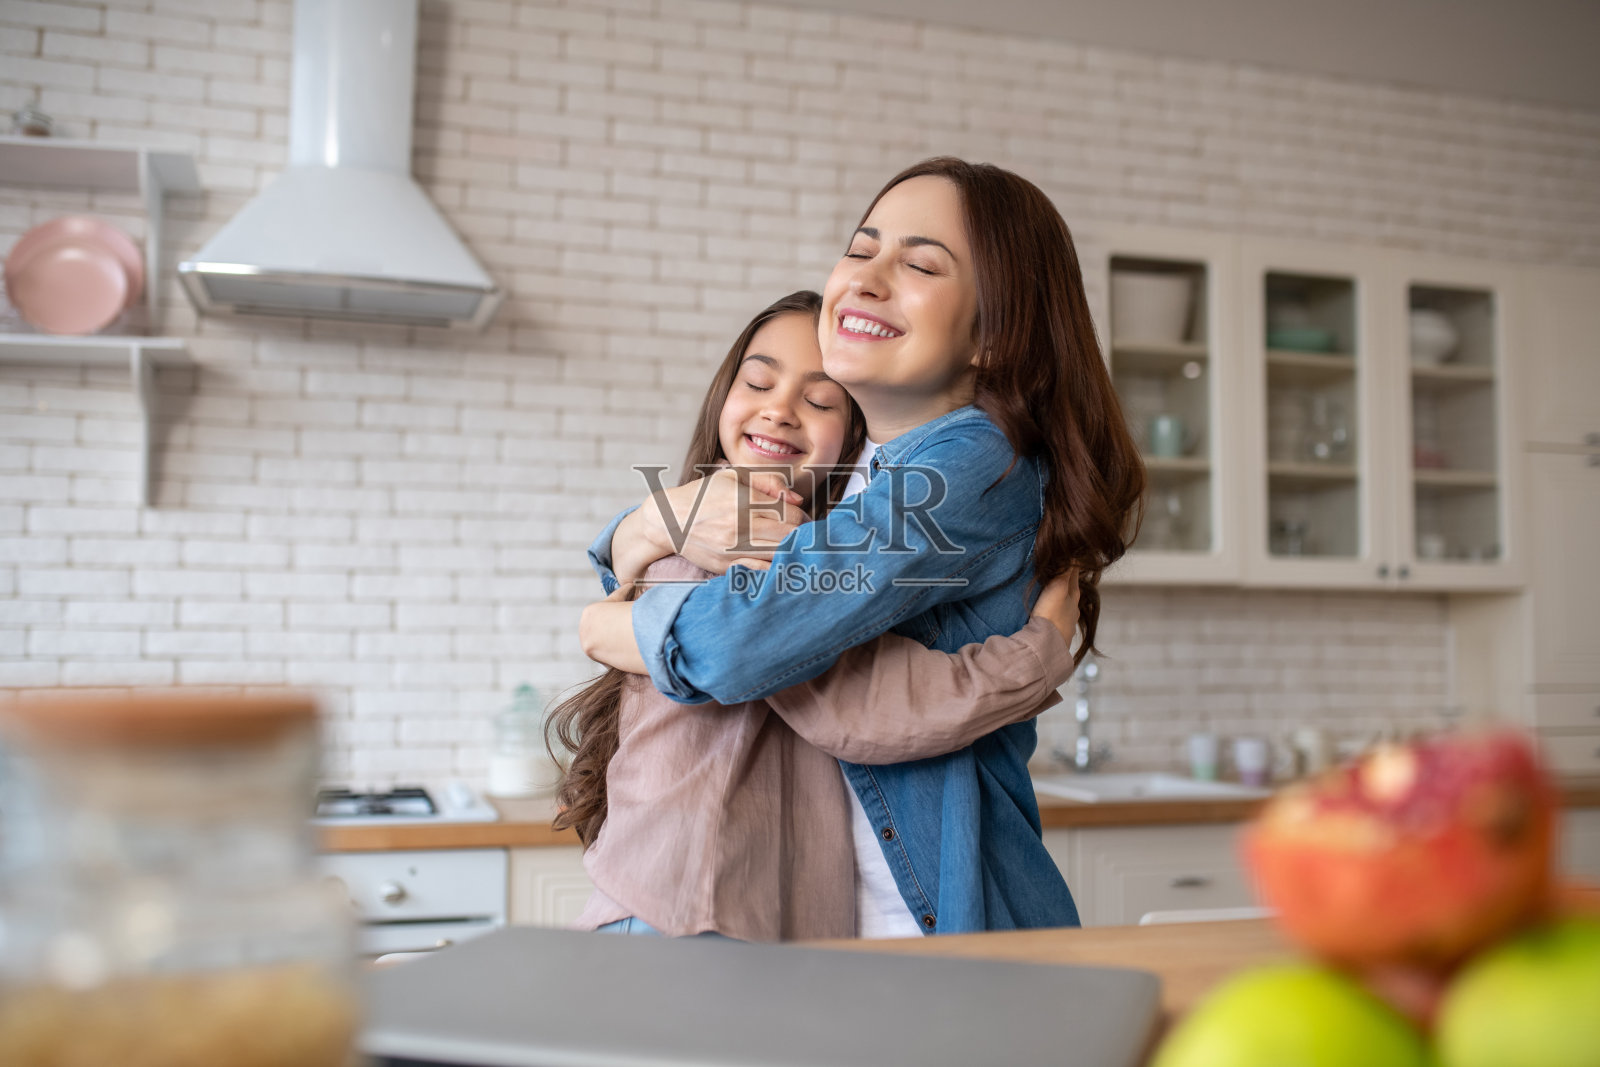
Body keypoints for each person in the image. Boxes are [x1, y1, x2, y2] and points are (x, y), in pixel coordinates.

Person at [581, 158, 1145, 936]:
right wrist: (629, 536)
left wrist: (610, 626)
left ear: (993, 334)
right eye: (861, 247)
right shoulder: (857, 484)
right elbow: (717, 566)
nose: (869, 278)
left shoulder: (975, 462)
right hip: (850, 938)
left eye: (919, 263)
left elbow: (747, 641)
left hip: (945, 928)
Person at [549, 290, 1082, 941]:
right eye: (759, 381)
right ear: (724, 395)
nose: (779, 409)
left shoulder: (765, 539)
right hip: (683, 922)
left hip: (705, 923)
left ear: (855, 441)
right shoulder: (737, 532)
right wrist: (1036, 656)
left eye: (820, 399)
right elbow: (866, 707)